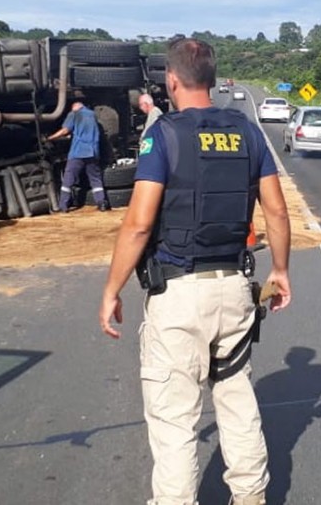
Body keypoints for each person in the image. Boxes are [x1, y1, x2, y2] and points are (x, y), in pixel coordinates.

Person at [100, 37, 292, 505]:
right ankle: (250, 497)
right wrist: (281, 270)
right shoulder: (246, 131)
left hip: (180, 293)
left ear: (171, 79)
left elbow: (140, 222)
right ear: (211, 77)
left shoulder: (162, 134)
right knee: (237, 402)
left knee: (175, 422)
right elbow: (277, 212)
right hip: (235, 289)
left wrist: (112, 289)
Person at [46, 99, 109, 212]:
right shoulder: (92, 115)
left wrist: (50, 138)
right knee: (95, 179)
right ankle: (102, 203)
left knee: (68, 179)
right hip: (93, 152)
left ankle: (63, 206)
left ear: (74, 107)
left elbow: (65, 130)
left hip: (78, 152)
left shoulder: (74, 114)